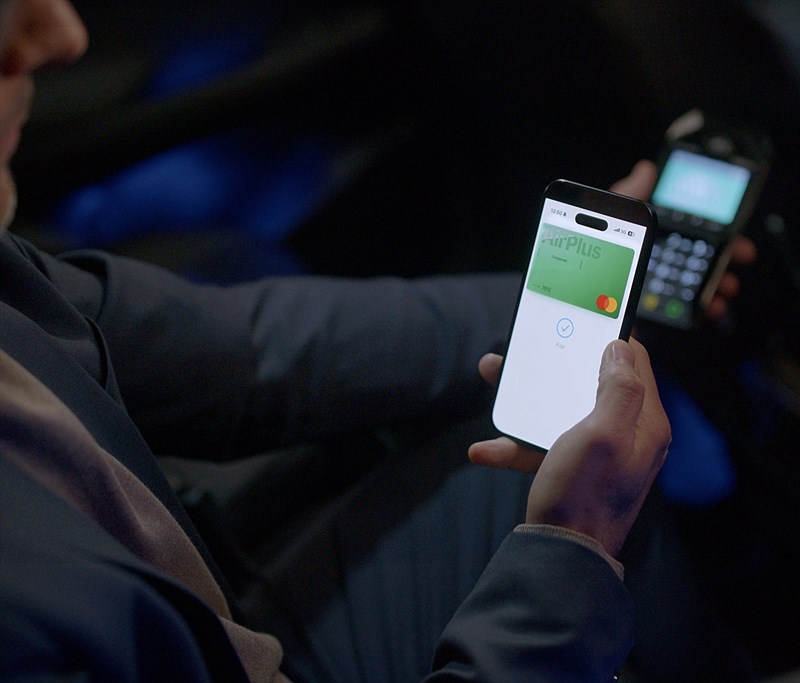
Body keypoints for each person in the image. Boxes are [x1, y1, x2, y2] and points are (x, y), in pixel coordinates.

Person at [1, 1, 755, 681]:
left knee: (496, 469)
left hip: (202, 601)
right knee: (597, 516)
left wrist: (578, 292)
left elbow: (251, 348)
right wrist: (575, 549)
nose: (62, 34)